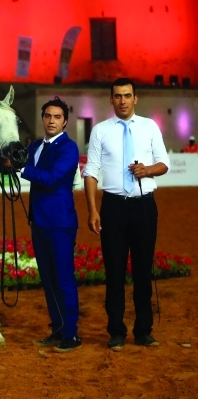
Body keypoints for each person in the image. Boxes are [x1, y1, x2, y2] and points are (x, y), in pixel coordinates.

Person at [83, 78, 169, 352]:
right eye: (117, 96)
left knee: (143, 270)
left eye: (127, 95)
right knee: (115, 272)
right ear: (111, 100)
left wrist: (147, 170)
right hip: (113, 207)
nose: (122, 100)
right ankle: (116, 332)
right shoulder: (100, 131)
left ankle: (143, 331)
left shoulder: (150, 126)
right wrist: (93, 209)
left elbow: (164, 163)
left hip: (144, 204)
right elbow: (91, 171)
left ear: (136, 98)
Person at [21, 97, 81, 353]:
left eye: (57, 117)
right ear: (43, 118)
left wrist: (22, 168)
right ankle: (57, 328)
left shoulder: (69, 148)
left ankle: (71, 334)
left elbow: (53, 178)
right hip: (40, 223)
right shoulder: (35, 146)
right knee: (48, 280)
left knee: (64, 278)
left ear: (65, 122)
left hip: (60, 224)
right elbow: (17, 164)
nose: (52, 120)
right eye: (48, 116)